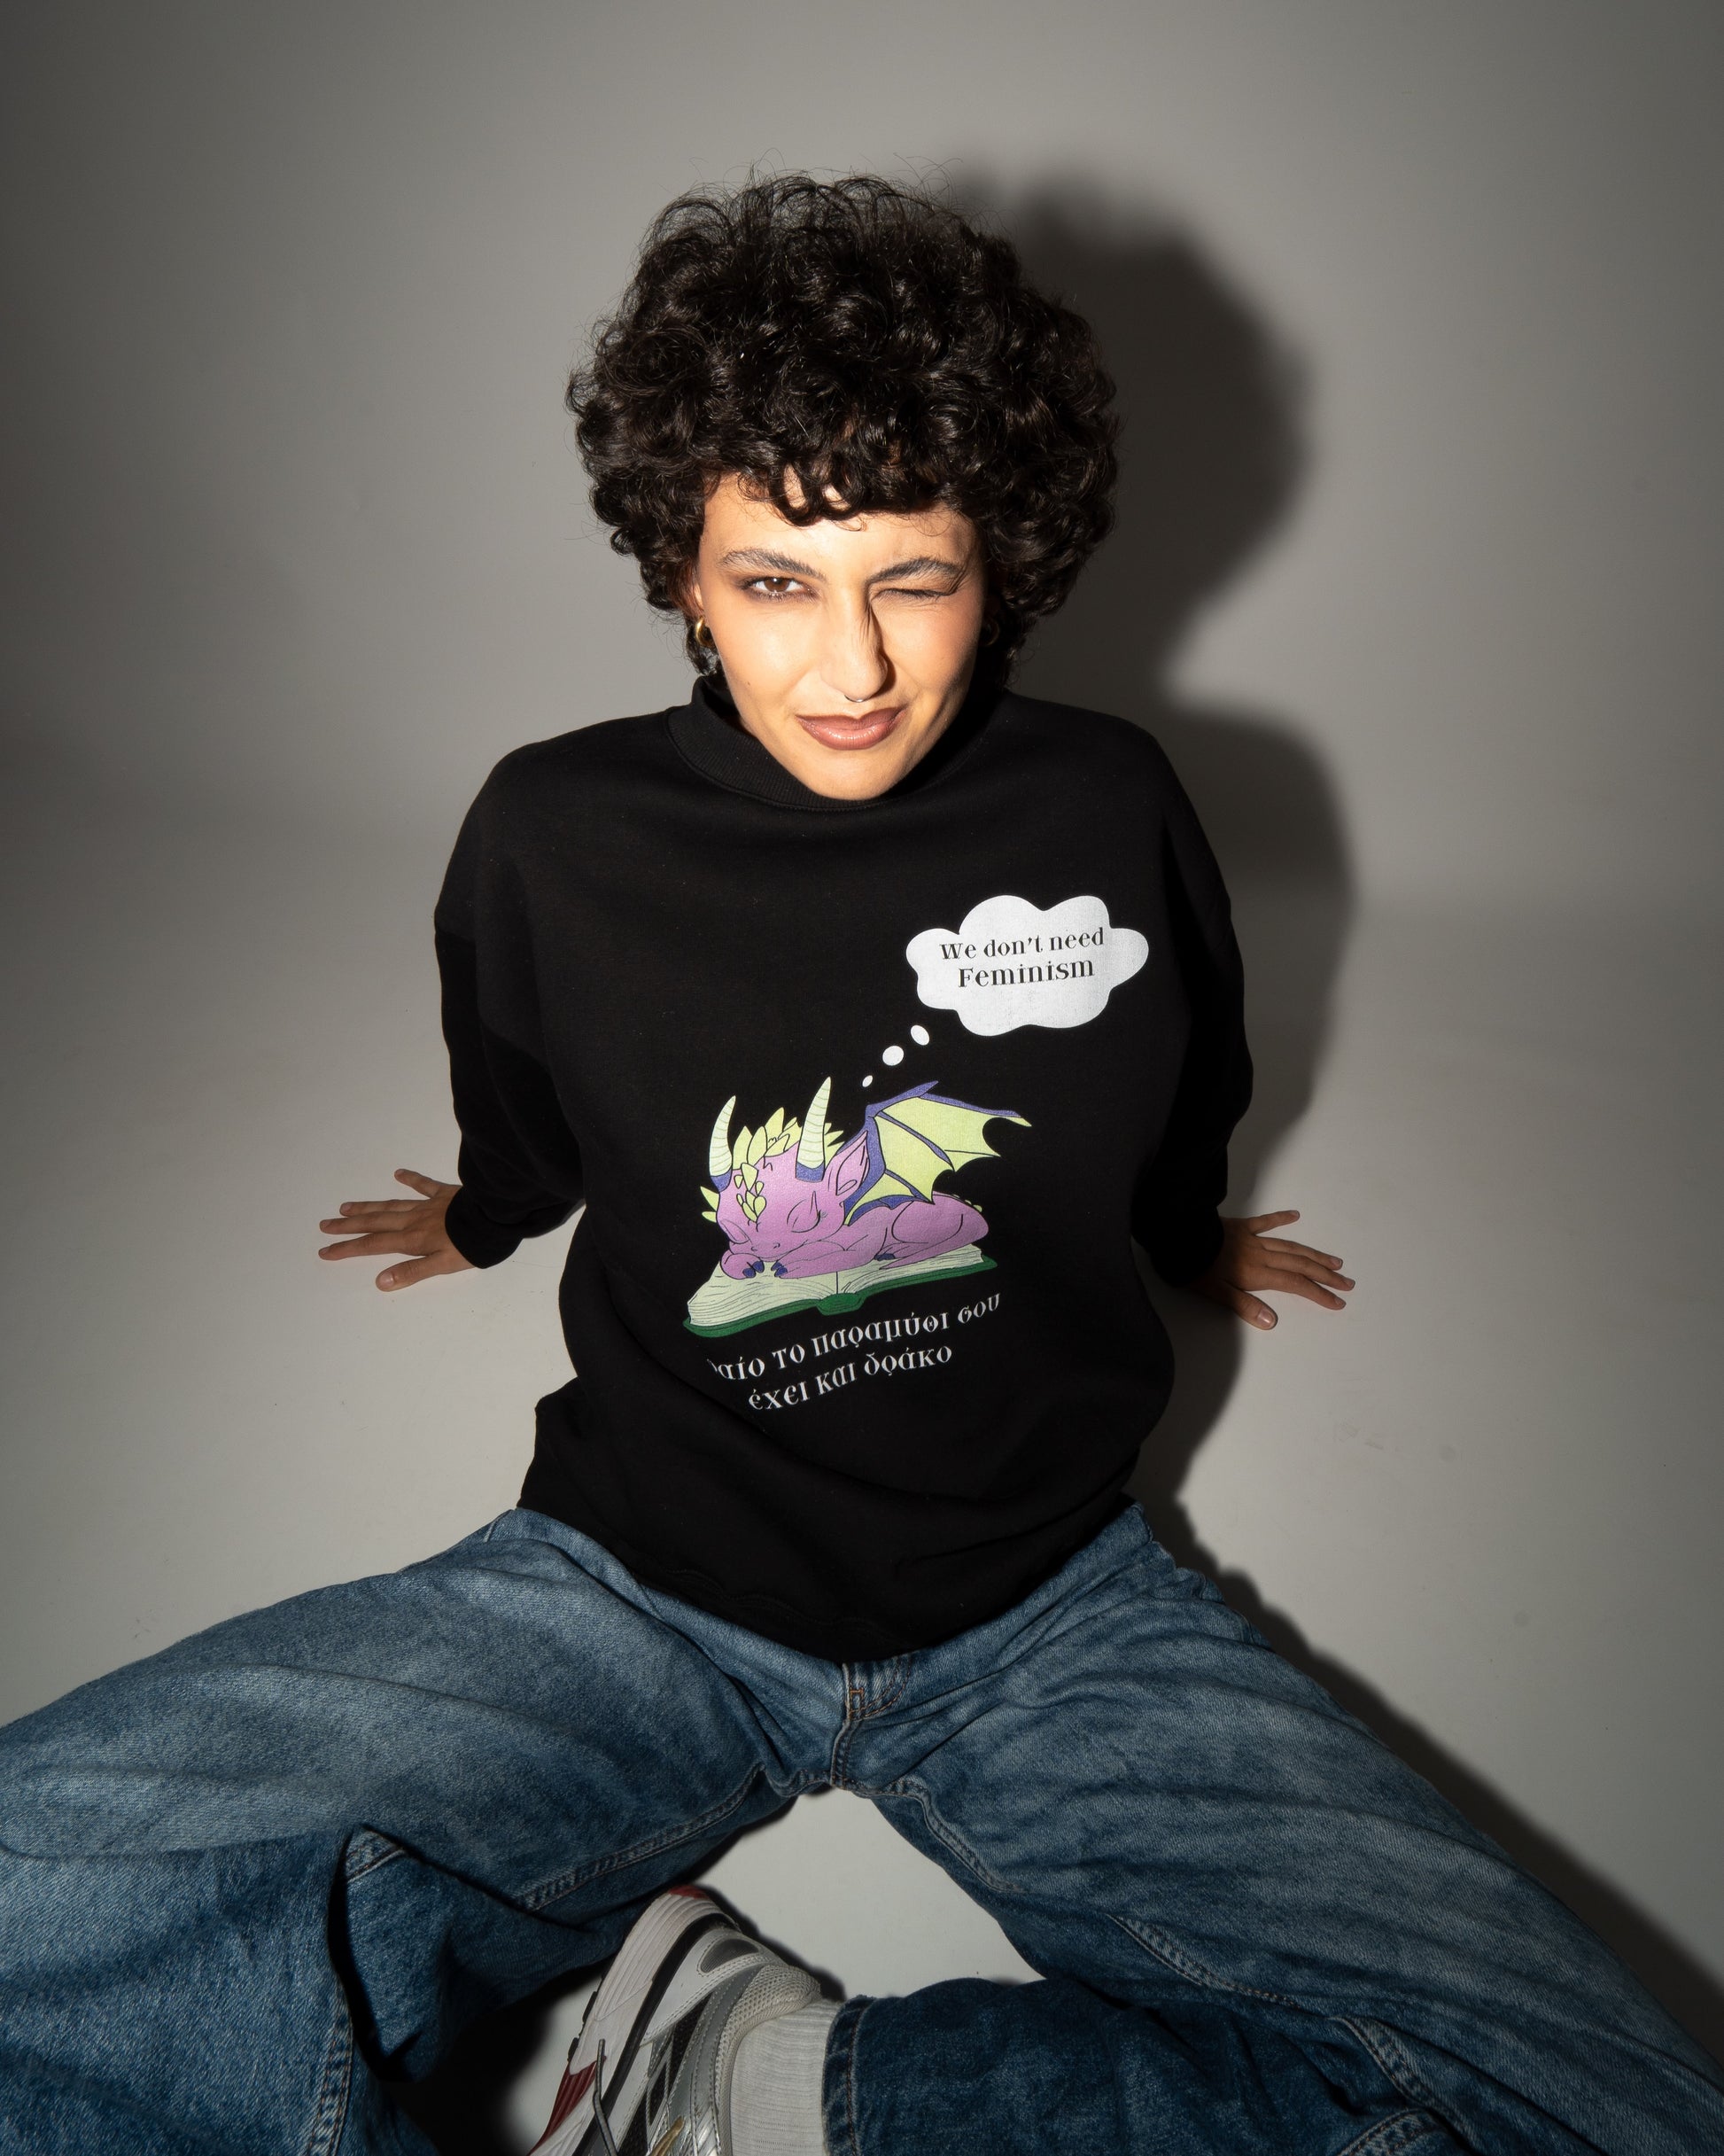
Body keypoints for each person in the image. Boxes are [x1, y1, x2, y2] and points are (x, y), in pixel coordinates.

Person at [0, 176, 1716, 2156]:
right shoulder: (555, 831)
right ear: (681, 569)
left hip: (1056, 1607)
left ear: (1005, 562)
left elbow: (1188, 1066)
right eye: (773, 581)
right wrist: (486, 1209)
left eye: (915, 578)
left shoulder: (1107, 804)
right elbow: (520, 1074)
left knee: (1610, 2116)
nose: (853, 666)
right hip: (634, 1581)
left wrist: (1186, 1231)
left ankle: (768, 2080)